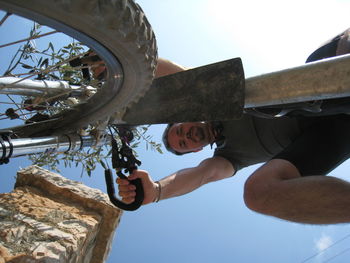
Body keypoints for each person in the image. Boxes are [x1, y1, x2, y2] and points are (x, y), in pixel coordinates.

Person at [117, 29, 350, 225]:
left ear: (184, 118)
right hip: (326, 136)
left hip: (316, 88)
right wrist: (157, 190)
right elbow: (202, 175)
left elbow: (184, 79)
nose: (186, 136)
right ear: (195, 151)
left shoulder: (215, 101)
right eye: (184, 144)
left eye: (179, 130)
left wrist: (124, 63)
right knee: (257, 194)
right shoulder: (228, 157)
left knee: (197, 90)